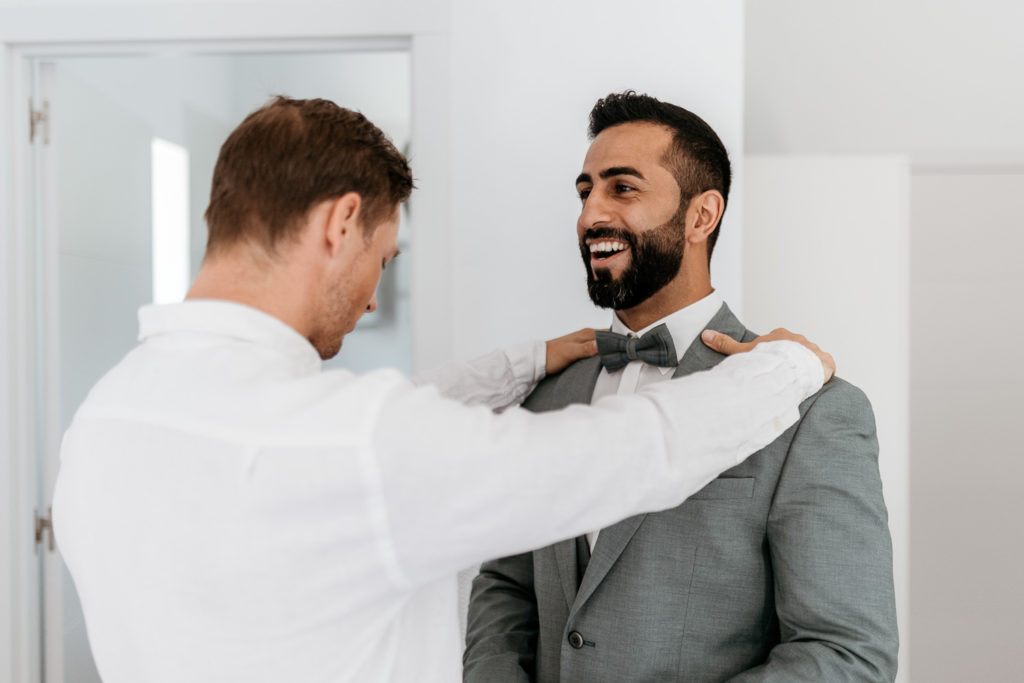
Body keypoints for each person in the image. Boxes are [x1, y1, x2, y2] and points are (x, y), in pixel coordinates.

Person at [51, 96, 833, 683]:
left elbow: (844, 646)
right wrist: (788, 369)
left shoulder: (105, 417)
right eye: (383, 258)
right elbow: (628, 452)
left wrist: (522, 361)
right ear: (340, 223)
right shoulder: (352, 444)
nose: (369, 299)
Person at [464, 92, 899, 682]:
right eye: (585, 190)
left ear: (701, 216)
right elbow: (505, 584)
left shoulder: (816, 412)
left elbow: (847, 652)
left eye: (622, 188)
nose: (591, 214)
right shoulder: (544, 397)